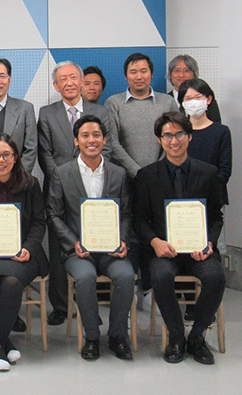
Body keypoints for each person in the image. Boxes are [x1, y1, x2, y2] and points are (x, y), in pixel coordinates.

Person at [134, 111, 225, 365]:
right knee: (161, 276)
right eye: (168, 135)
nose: (174, 141)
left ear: (189, 137)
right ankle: (176, 336)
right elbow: (139, 219)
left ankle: (197, 337)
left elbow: (216, 217)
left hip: (199, 250)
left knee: (216, 276)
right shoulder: (147, 175)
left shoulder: (208, 173)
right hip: (165, 250)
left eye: (180, 134)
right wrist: (155, 242)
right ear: (159, 140)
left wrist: (210, 242)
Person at [47, 115, 135, 361]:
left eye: (96, 135)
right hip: (77, 250)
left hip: (110, 249)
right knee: (85, 278)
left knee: (126, 276)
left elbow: (127, 214)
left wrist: (123, 240)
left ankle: (118, 336)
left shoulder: (118, 173)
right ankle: (92, 338)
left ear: (104, 139)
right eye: (85, 136)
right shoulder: (62, 173)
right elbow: (54, 215)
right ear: (76, 141)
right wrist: (73, 242)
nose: (91, 140)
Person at [37, 60, 114, 326]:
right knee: (61, 247)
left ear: (82, 82)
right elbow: (44, 153)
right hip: (59, 189)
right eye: (63, 79)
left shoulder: (100, 112)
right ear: (56, 86)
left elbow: (108, 148)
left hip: (96, 187)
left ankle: (89, 305)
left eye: (73, 77)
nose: (69, 82)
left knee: (94, 244)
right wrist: (63, 180)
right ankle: (60, 305)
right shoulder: (46, 113)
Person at [104, 53, 179, 309]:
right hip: (128, 179)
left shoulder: (167, 102)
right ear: (126, 75)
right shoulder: (114, 103)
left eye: (144, 71)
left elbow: (171, 139)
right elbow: (112, 143)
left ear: (151, 73)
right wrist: (139, 172)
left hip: (161, 180)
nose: (139, 76)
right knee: (131, 235)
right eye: (134, 71)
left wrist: (156, 171)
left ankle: (150, 287)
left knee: (156, 232)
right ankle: (132, 287)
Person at [0, 134, 48, 370]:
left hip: (23, 253)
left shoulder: (31, 184)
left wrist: (28, 248)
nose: (1, 160)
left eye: (6, 154)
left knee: (12, 282)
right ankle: (5, 342)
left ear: (15, 158)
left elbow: (39, 222)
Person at [177, 78, 232, 318]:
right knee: (186, 256)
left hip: (211, 204)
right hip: (180, 205)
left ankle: (206, 310)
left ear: (208, 100)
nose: (193, 103)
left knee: (209, 258)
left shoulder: (221, 131)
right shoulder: (178, 132)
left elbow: (224, 170)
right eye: (187, 99)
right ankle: (189, 306)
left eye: (197, 98)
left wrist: (204, 193)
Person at [167, 54, 221, 122]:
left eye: (186, 71)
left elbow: (216, 127)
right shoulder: (164, 100)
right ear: (170, 75)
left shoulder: (205, 101)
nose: (181, 75)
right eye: (177, 70)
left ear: (194, 74)